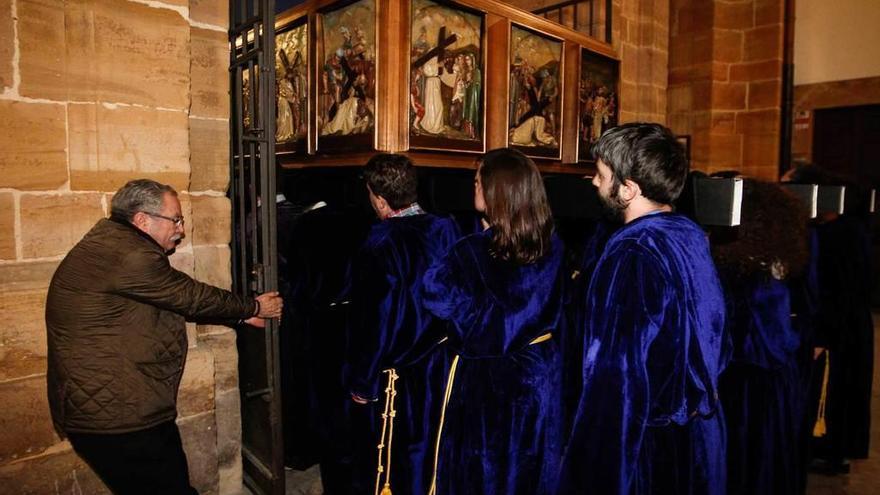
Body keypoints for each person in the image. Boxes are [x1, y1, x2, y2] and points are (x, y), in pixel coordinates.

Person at [45, 179, 283, 495]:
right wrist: (254, 305)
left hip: (114, 408)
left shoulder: (113, 244)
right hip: (119, 418)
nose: (181, 230)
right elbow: (188, 295)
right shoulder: (128, 255)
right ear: (143, 220)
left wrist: (240, 315)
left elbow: (168, 299)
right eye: (176, 220)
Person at [558, 123, 727, 494]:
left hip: (648, 446)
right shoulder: (688, 234)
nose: (593, 183)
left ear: (629, 188)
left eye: (601, 175)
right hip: (699, 433)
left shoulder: (631, 251)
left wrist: (591, 468)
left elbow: (614, 376)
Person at [422, 148, 564, 494]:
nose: (473, 186)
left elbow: (435, 295)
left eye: (477, 180)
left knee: (486, 472)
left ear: (495, 190)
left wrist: (468, 326)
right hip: (540, 375)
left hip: (489, 384)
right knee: (531, 469)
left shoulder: (470, 251)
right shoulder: (553, 244)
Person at [345, 154, 460, 494]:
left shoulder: (380, 243)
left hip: (401, 380)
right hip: (446, 366)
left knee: (396, 459)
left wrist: (362, 383)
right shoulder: (446, 228)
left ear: (379, 199)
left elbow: (375, 322)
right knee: (436, 450)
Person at [711, 179, 810, 495]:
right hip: (765, 381)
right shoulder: (767, 268)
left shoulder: (754, 274)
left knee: (749, 460)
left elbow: (772, 340)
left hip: (750, 384)